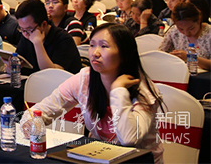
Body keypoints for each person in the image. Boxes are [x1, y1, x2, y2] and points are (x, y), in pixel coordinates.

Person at [19, 23, 164, 164]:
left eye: (104, 46)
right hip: (97, 158)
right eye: (92, 45)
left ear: (124, 54)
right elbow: (42, 110)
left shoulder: (143, 90)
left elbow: (129, 138)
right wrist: (31, 123)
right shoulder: (85, 79)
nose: (95, 53)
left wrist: (118, 90)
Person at [11, 0, 81, 74]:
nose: (25, 34)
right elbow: (20, 64)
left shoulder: (64, 39)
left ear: (44, 24)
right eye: (22, 29)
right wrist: (12, 68)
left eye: (29, 29)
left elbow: (52, 74)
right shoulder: (26, 34)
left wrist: (38, 43)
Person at [159, 0, 210, 71]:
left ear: (199, 20)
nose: (186, 33)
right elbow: (160, 54)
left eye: (191, 28)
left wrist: (189, 57)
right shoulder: (174, 31)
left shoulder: (208, 33)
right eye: (181, 29)